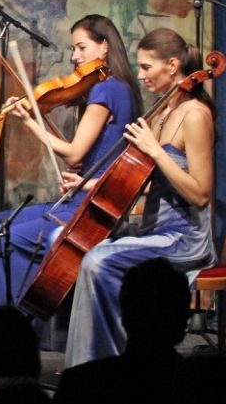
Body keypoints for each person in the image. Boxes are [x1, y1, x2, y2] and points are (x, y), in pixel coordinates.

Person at [63, 28, 216, 367]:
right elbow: (149, 183)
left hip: (184, 237)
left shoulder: (195, 115)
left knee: (98, 262)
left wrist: (155, 151)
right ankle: (97, 363)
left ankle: (103, 366)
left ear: (172, 66)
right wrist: (87, 184)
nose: (141, 75)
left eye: (147, 67)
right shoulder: (161, 113)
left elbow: (201, 194)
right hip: (155, 231)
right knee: (91, 250)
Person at [0, 13, 140, 314]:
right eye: (74, 49)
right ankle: (0, 319)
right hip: (83, 198)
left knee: (1, 235)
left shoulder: (106, 89)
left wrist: (30, 122)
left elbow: (74, 153)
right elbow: (93, 154)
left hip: (87, 208)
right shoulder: (119, 88)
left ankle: (9, 321)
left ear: (105, 46)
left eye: (81, 47)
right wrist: (81, 172)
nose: (75, 56)